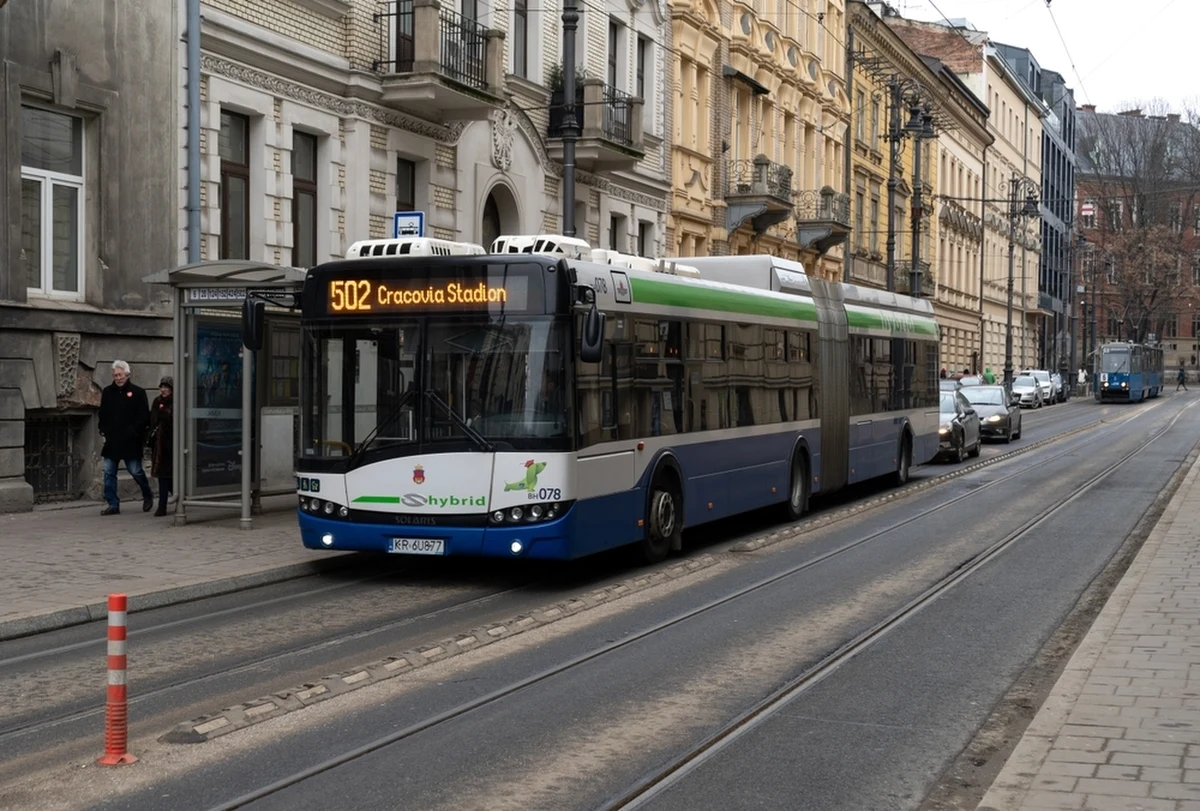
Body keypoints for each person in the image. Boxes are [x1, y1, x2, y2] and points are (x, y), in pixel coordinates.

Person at [98, 360, 154, 515]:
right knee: (109, 472)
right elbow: (103, 413)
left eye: (120, 375)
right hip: (112, 441)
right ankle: (113, 504)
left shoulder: (138, 392)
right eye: (115, 375)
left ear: (127, 375)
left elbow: (143, 417)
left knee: (136, 471)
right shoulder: (108, 392)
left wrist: (134, 431)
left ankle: (147, 494)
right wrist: (103, 429)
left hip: (131, 441)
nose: (118, 378)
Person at [149, 376, 174, 516]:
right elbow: (152, 421)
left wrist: (163, 413)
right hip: (159, 446)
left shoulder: (175, 401)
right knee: (162, 477)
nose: (163, 390)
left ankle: (178, 499)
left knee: (171, 477)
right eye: (162, 387)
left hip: (172, 444)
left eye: (166, 387)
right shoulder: (156, 401)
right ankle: (162, 505)